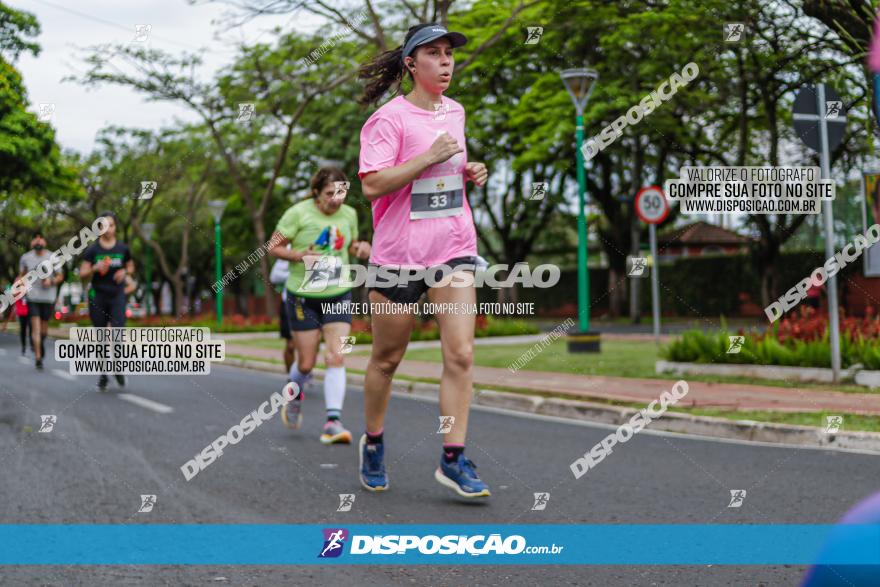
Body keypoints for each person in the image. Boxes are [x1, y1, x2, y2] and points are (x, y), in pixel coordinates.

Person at [356, 23, 490, 497]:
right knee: (387, 359)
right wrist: (427, 157)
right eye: (433, 53)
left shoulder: (456, 112)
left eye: (449, 53)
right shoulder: (387, 120)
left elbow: (447, 171)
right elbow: (372, 185)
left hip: (453, 248)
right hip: (397, 256)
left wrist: (471, 170)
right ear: (412, 64)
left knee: (461, 353)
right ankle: (373, 441)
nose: (446, 61)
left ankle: (453, 457)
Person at [268, 168, 371, 444]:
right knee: (306, 363)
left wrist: (360, 248)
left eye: (341, 193)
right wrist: (298, 255)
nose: (336, 200)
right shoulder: (298, 213)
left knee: (337, 356)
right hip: (303, 296)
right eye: (329, 194)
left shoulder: (348, 214)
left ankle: (333, 422)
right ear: (316, 192)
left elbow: (348, 246)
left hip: (338, 292)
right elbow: (272, 247)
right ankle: (293, 396)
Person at [79, 212, 134, 391]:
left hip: (117, 295)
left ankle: (118, 367)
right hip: (98, 297)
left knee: (118, 334)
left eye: (111, 225)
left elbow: (130, 266)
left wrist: (125, 272)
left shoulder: (122, 249)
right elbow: (82, 273)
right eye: (104, 226)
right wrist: (95, 268)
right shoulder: (92, 251)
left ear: (115, 227)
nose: (108, 229)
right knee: (102, 338)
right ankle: (103, 374)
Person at [18, 231, 64, 370]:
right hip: (33, 298)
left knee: (44, 330)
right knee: (35, 328)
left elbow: (60, 276)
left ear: (45, 241)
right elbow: (22, 276)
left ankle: (41, 344)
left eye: (41, 238)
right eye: (35, 238)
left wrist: (51, 281)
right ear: (32, 242)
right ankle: (38, 358)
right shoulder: (25, 258)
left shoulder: (52, 257)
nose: (38, 241)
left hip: (48, 298)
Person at [270, 251, 297, 372]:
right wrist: (295, 274)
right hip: (289, 303)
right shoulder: (289, 251)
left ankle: (303, 373)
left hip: (311, 302)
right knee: (291, 345)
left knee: (311, 344)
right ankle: (292, 376)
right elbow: (274, 277)